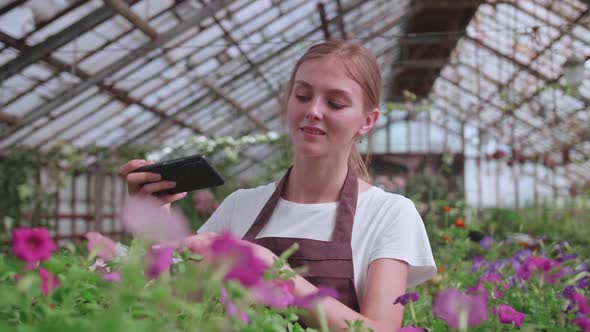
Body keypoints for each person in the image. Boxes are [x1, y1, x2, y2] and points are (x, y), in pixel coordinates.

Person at [119, 40, 436, 331]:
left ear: (367, 121)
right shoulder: (240, 206)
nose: (313, 110)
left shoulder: (388, 214)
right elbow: (168, 299)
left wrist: (273, 272)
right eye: (302, 96)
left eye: (335, 103)